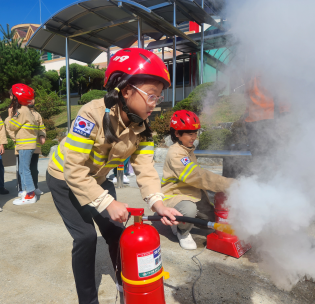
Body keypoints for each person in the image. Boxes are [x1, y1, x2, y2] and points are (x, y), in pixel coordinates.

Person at [46, 48, 182, 304]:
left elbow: (146, 169)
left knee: (116, 232)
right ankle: (88, 300)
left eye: (159, 97)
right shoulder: (91, 114)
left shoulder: (142, 129)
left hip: (96, 180)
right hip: (64, 178)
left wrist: (159, 203)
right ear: (126, 90)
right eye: (151, 96)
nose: (156, 103)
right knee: (85, 238)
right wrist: (108, 202)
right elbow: (74, 170)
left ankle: (125, 283)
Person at [161, 110, 235, 250]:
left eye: (195, 133)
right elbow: (197, 176)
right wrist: (228, 183)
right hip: (176, 196)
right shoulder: (176, 153)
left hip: (192, 194)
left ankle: (180, 221)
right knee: (189, 210)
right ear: (177, 134)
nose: (194, 137)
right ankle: (181, 231)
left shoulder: (187, 149)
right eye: (190, 133)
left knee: (212, 221)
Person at [6, 84, 39, 205]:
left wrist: (9, 116)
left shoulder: (21, 111)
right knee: (22, 169)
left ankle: (30, 194)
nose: (10, 97)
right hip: (26, 145)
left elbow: (12, 126)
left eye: (11, 95)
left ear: (16, 97)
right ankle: (26, 192)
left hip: (25, 145)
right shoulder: (27, 110)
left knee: (24, 170)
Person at [7, 98, 46, 197]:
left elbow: (41, 128)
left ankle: (32, 189)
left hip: (32, 146)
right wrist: (15, 138)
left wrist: (42, 135)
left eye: (32, 99)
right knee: (23, 169)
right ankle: (23, 190)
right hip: (22, 144)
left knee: (32, 169)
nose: (31, 101)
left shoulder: (36, 114)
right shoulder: (20, 112)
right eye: (29, 99)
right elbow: (11, 129)